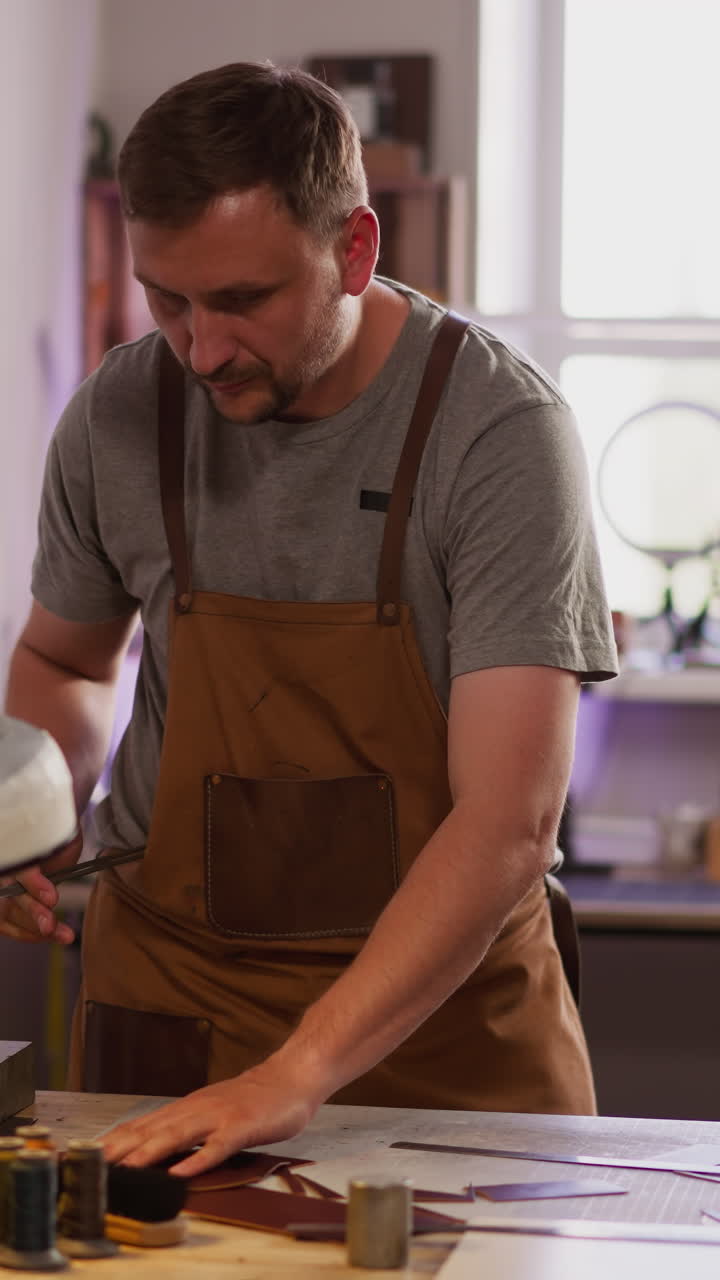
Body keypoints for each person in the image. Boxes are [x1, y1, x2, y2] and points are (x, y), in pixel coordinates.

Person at [2, 61, 617, 1176]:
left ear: (356, 250)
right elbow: (64, 656)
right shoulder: (121, 413)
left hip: (444, 1036)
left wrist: (298, 1066)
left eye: (242, 299)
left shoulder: (497, 434)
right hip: (178, 1010)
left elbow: (510, 818)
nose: (201, 348)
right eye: (168, 297)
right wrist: (34, 813)